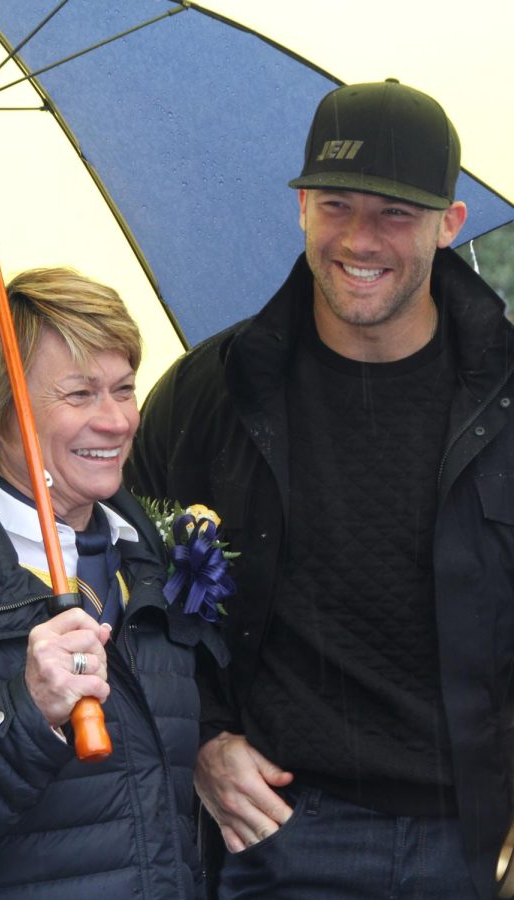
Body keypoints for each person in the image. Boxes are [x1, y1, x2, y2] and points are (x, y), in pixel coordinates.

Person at [125, 79, 514, 900]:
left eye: (395, 214)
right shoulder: (210, 394)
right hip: (282, 835)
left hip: (483, 842)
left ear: (451, 224)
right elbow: (128, 590)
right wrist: (199, 735)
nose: (359, 239)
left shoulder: (506, 396)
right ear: (301, 207)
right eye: (336, 205)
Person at [0, 267, 227, 898]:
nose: (116, 422)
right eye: (80, 395)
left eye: (124, 388)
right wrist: (25, 713)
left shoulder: (151, 559)